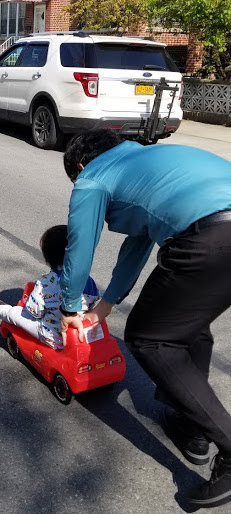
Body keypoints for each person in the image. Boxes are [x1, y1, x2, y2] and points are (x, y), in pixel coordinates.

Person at [58, 128, 231, 508]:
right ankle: (192, 424)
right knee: (185, 321)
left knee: (150, 337)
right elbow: (138, 243)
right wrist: (105, 306)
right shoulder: (144, 162)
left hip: (214, 234)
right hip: (220, 229)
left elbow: (79, 246)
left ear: (81, 165)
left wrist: (70, 306)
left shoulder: (92, 177)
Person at [0, 225, 100, 350]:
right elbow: (93, 300)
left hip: (52, 336)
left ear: (48, 258)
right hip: (80, 333)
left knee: (17, 314)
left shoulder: (46, 283)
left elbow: (34, 312)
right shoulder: (88, 279)